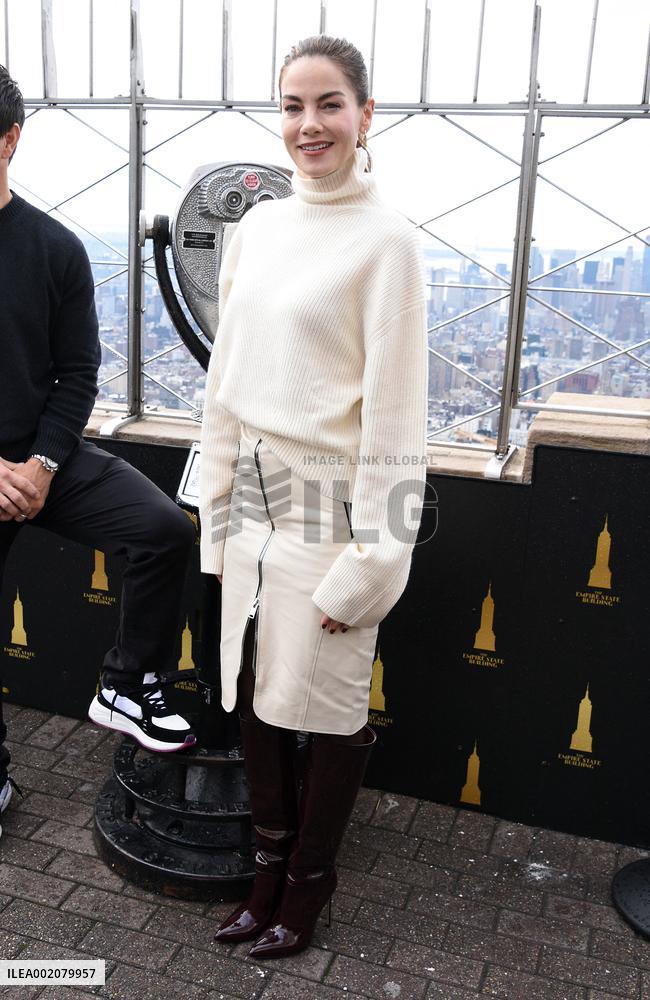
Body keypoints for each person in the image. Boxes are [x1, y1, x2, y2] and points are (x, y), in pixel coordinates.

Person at [199, 35, 428, 958]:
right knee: (257, 694)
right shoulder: (256, 229)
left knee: (330, 707)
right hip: (250, 504)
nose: (309, 125)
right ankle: (264, 869)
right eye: (292, 106)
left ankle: (307, 886)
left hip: (329, 516)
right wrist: (214, 518)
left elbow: (399, 426)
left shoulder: (388, 245)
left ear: (365, 116)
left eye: (329, 104)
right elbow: (224, 383)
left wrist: (372, 567)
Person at [0, 64, 198, 829]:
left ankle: (126, 681)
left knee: (161, 530)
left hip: (44, 456)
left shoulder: (53, 249)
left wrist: (41, 467)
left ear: (10, 140)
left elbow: (78, 373)